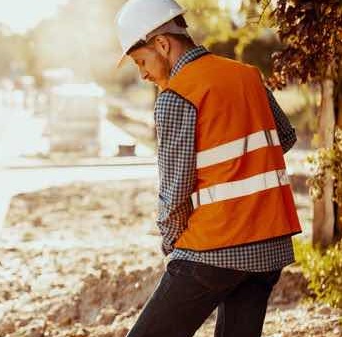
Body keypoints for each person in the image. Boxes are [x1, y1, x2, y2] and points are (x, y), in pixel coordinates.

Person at [114, 1, 301, 336]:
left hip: (216, 245)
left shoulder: (176, 97)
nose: (142, 74)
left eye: (141, 62)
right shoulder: (247, 76)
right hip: (269, 245)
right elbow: (283, 138)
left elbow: (174, 192)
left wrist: (172, 248)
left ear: (162, 44)